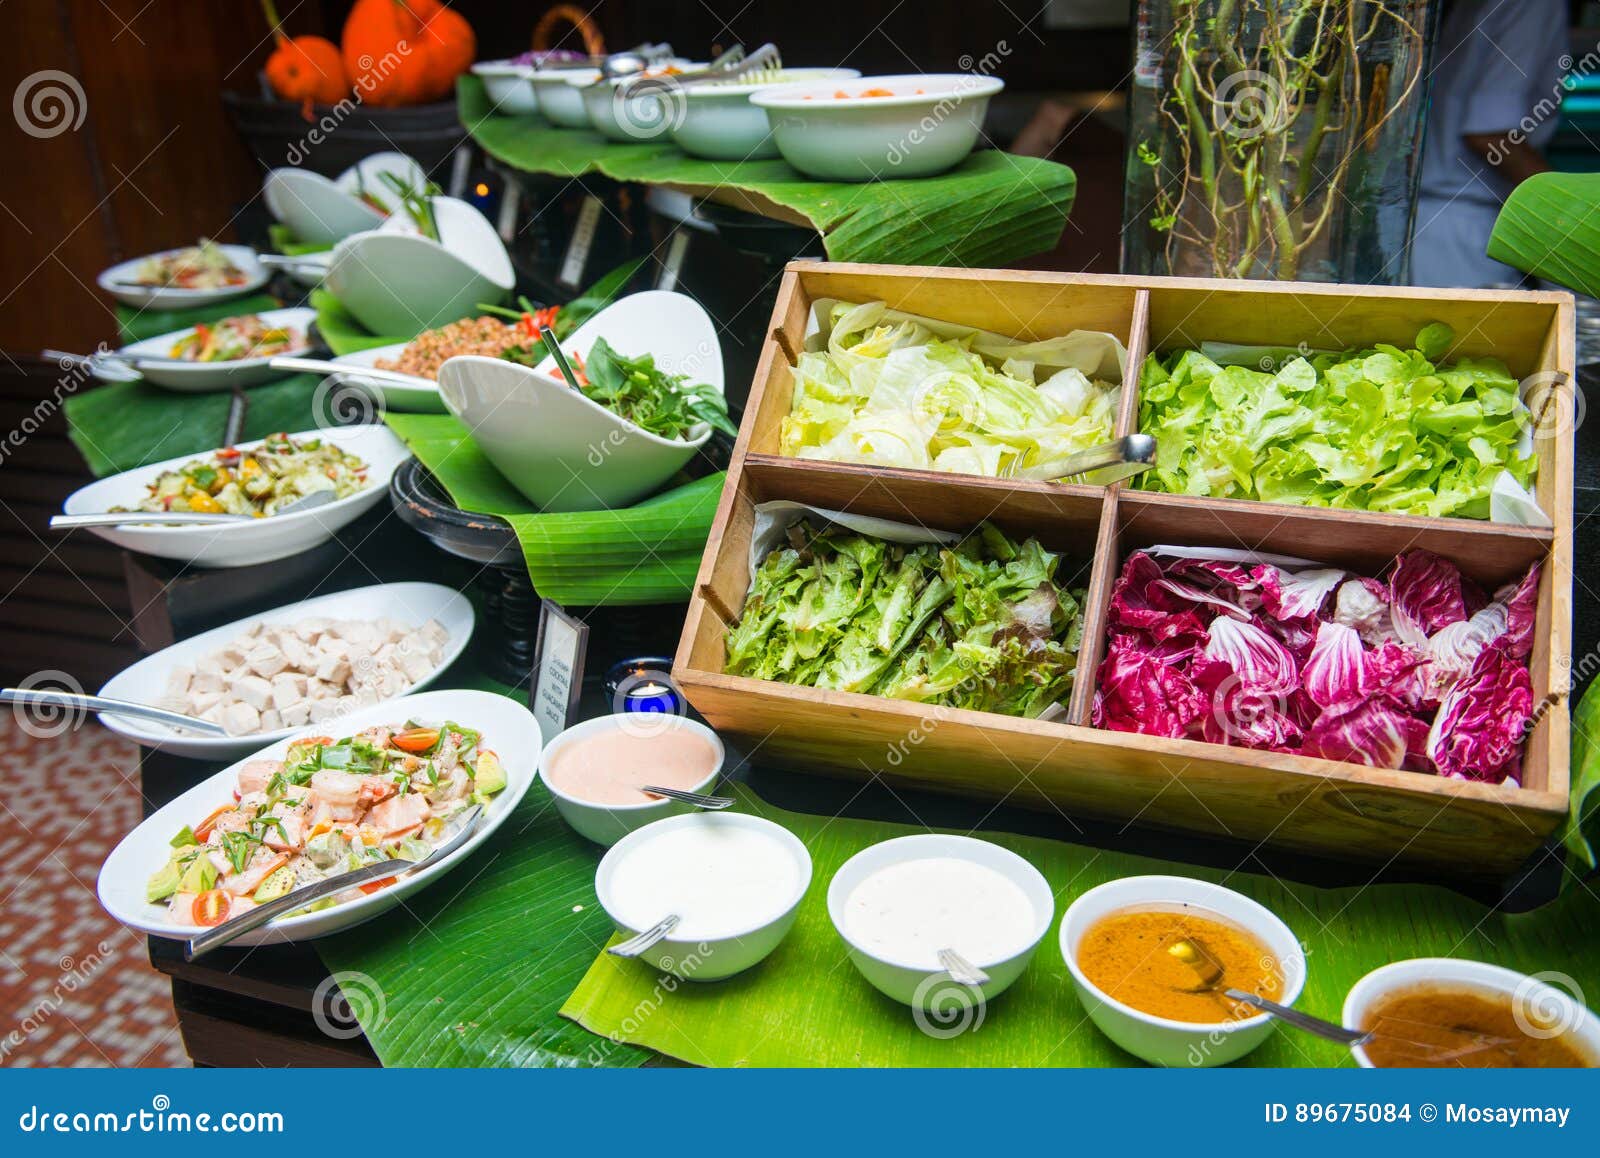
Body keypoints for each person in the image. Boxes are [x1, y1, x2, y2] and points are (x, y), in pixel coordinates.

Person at [1410, 0, 1568, 288]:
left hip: (1442, 223)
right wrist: (1572, 214)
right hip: (1461, 230)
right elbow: (1490, 134)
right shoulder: (1536, 5)